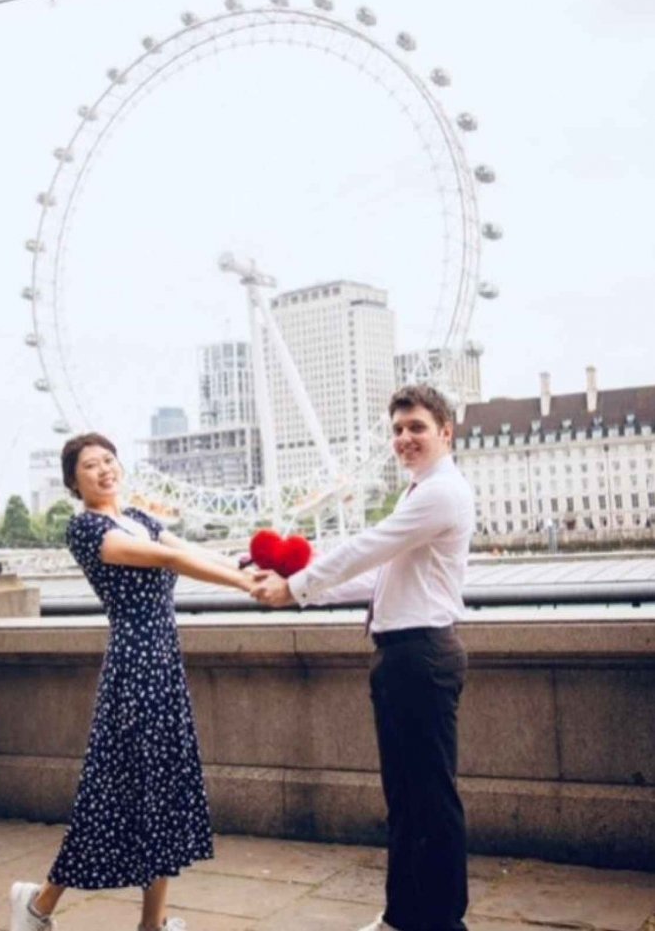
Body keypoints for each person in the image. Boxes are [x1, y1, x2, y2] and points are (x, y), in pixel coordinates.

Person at [9, 432, 261, 931]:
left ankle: (137, 922)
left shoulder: (141, 519)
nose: (104, 470)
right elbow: (168, 560)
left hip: (163, 664)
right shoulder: (86, 530)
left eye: (109, 460)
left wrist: (248, 564)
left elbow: (188, 548)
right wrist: (247, 587)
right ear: (73, 483)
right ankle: (39, 905)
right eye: (90, 466)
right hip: (135, 668)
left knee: (157, 790)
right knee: (123, 790)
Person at [251, 384, 474, 931]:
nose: (404, 439)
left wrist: (296, 587)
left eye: (417, 427)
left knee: (431, 802)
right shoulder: (420, 491)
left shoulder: (441, 493)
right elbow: (378, 577)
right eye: (397, 430)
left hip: (421, 655)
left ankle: (444, 921)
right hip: (401, 656)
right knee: (405, 802)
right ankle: (404, 917)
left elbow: (366, 547)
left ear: (446, 432)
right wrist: (297, 588)